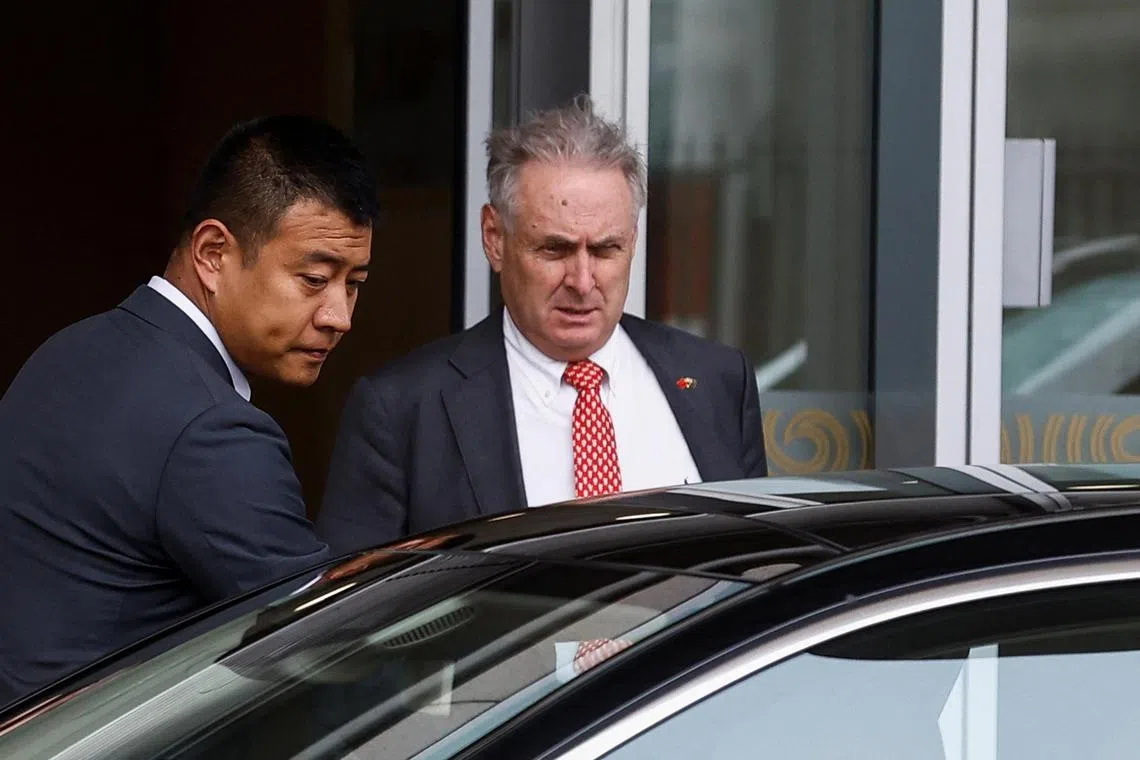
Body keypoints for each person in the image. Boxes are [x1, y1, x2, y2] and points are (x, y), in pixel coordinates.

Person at [0, 114, 379, 705]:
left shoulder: (68, 350)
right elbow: (328, 649)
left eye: (353, 283)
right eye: (314, 278)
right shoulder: (211, 430)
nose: (340, 316)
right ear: (212, 253)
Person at [318, 96, 766, 555]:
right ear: (495, 238)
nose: (582, 281)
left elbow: (762, 566)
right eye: (554, 250)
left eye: (606, 250)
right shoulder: (402, 411)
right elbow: (350, 614)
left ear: (633, 240)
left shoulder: (718, 382)